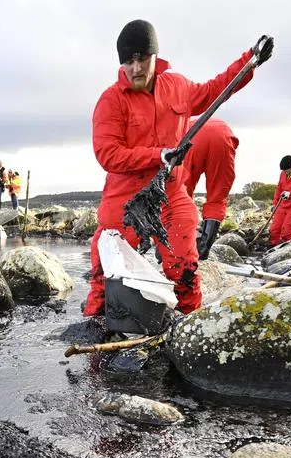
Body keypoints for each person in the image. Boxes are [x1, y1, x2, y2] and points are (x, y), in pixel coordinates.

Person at [84, 20, 272, 317]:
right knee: (105, 275)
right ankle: (95, 336)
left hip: (170, 195)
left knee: (184, 268)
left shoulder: (178, 87)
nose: (136, 68)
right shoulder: (110, 101)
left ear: (155, 56)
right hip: (125, 200)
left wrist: (249, 62)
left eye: (142, 58)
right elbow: (108, 154)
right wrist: (158, 155)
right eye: (128, 61)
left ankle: (187, 327)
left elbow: (215, 90)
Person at [178, 119, 239, 260]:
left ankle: (175, 246)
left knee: (180, 194)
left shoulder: (183, 125)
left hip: (192, 138)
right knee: (217, 196)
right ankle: (203, 249)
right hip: (224, 137)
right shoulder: (210, 123)